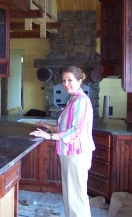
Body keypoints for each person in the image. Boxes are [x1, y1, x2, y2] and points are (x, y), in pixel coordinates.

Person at [30, 65, 95, 217]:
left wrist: (49, 136)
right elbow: (68, 125)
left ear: (80, 81)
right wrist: (50, 127)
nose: (66, 84)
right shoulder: (73, 99)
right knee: (70, 195)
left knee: (76, 197)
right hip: (69, 153)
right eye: (64, 80)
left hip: (77, 154)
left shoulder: (81, 101)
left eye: (70, 80)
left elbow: (76, 131)